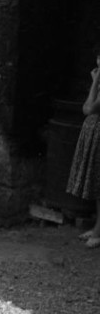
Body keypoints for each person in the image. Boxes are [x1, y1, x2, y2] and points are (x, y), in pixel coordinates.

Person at [67, 51, 100, 248]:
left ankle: (99, 231)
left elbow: (88, 108)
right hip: (95, 134)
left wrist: (95, 81)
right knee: (97, 186)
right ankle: (98, 227)